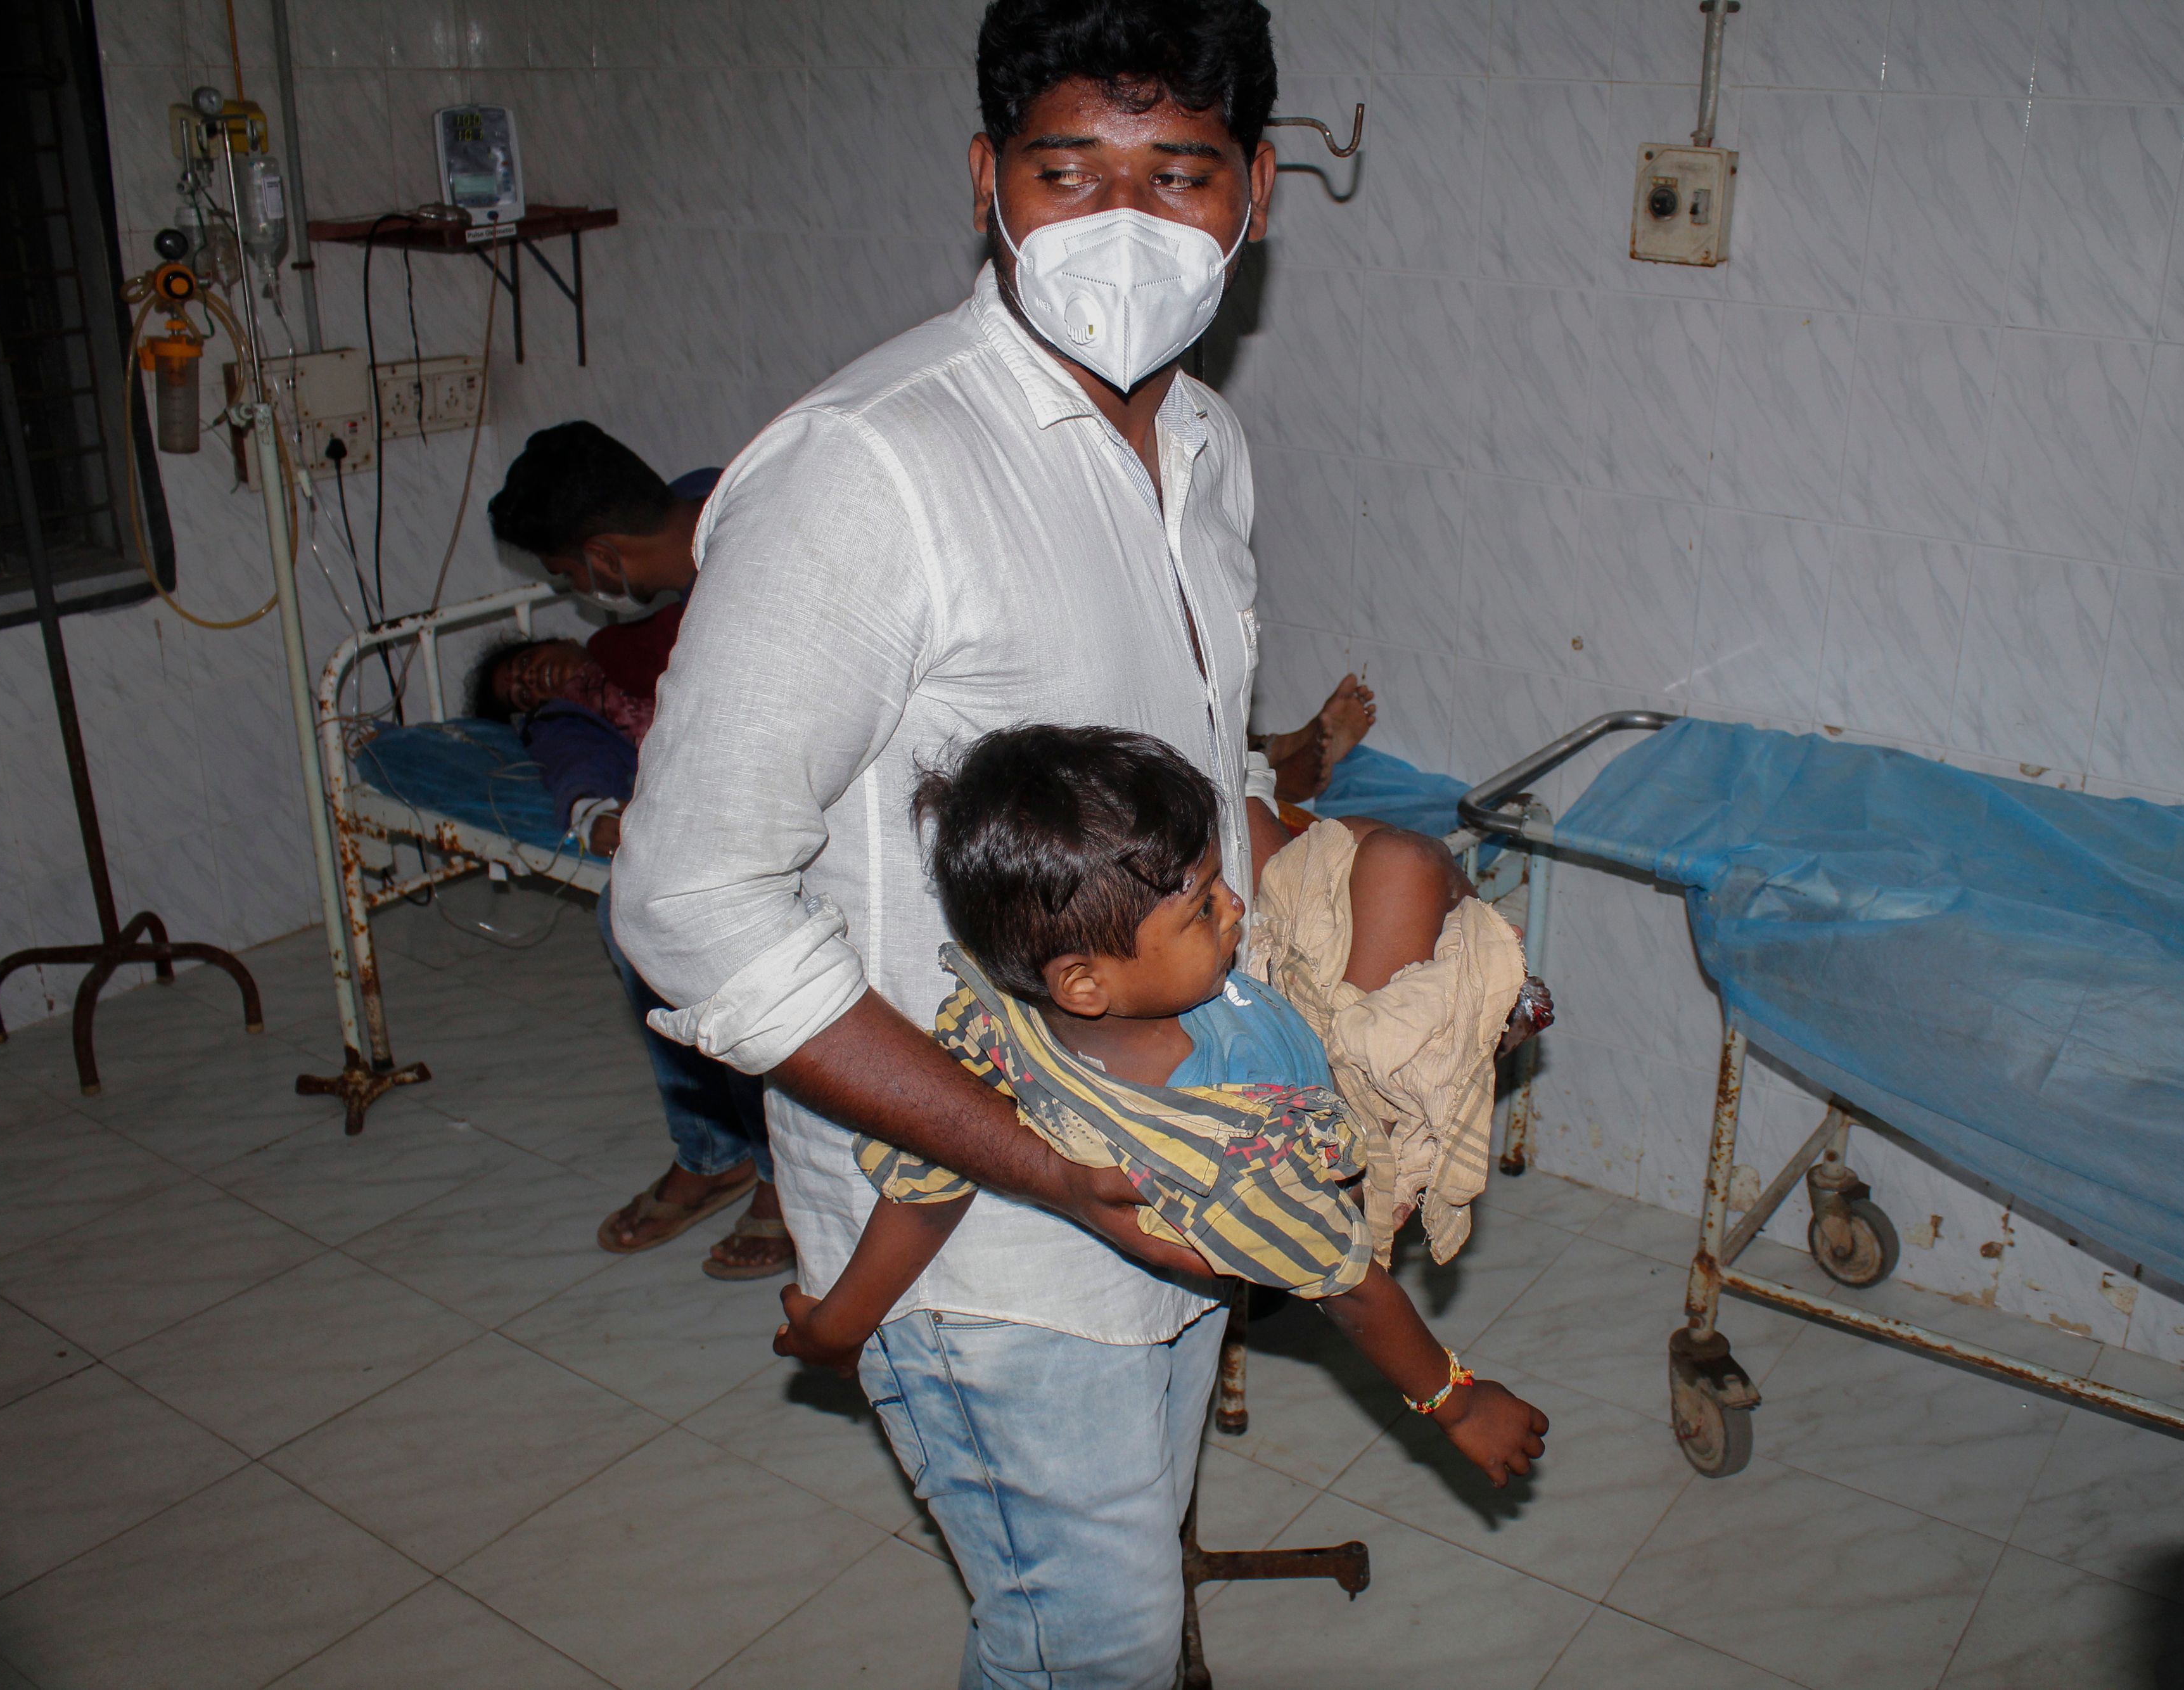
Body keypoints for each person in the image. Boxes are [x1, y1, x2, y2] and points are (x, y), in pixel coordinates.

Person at [606, 3, 1386, 1679]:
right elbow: (692, 901)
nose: (1125, 222)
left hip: (1179, 1176)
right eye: (1068, 170)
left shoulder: (1204, 447)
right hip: (986, 1228)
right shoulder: (868, 472)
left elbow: (1183, 798)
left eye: (1178, 173)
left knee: (1124, 1600)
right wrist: (1032, 1160)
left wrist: (1378, 982)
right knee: (1082, 1641)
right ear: (987, 182)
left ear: (1255, 193)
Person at [776, 726, 1549, 1487]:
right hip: (1323, 1126)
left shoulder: (995, 1017)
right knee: (1411, 865)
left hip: (1260, 1013)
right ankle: (1507, 1009)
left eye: (1217, 886)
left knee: (1383, 852)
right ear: (1084, 982)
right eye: (1203, 909)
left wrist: (838, 1324)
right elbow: (1350, 1288)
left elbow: (927, 1177)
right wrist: (1455, 1403)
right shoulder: (1226, 1155)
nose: (1235, 906)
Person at [483, 426, 793, 1279]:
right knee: (633, 916)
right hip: (741, 802)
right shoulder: (699, 533)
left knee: (691, 929)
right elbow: (582, 736)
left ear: (602, 558)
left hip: (832, 798)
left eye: (567, 578)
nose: (576, 596)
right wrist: (598, 810)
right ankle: (716, 1147)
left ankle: (779, 1169)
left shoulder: (756, 563)